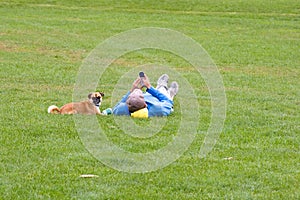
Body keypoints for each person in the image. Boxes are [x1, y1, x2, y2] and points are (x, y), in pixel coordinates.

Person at [112, 73, 179, 118]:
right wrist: (149, 87)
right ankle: (166, 89)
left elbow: (117, 106)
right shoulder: (158, 109)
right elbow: (168, 102)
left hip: (148, 96)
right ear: (145, 104)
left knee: (156, 91)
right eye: (140, 95)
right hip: (156, 100)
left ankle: (162, 87)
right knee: (162, 92)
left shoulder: (121, 109)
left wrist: (132, 90)